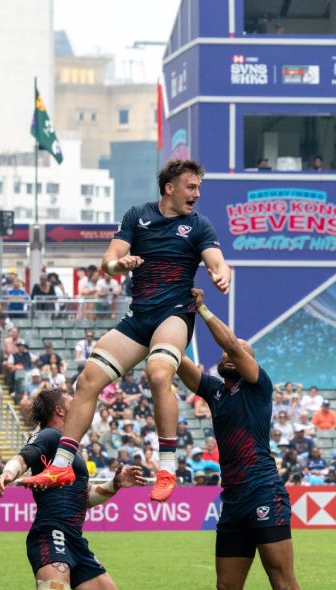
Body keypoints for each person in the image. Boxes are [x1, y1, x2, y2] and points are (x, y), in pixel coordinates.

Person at [20, 159, 231, 503]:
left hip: (175, 314)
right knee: (87, 381)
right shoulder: (138, 215)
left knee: (159, 373)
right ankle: (61, 464)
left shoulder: (198, 225)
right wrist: (121, 264)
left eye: (198, 188)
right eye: (191, 187)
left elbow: (217, 260)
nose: (197, 193)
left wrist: (222, 274)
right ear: (170, 188)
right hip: (139, 317)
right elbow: (109, 260)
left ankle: (166, 469)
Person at [176, 289, 318, 590]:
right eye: (225, 353)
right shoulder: (217, 391)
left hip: (264, 490)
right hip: (235, 499)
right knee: (227, 586)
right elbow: (180, 365)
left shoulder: (259, 386)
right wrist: (169, 323)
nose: (226, 354)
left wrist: (202, 308)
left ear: (247, 360)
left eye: (235, 351)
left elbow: (229, 343)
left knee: (280, 578)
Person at [0, 389, 146, 590]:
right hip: (51, 533)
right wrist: (9, 473)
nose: (80, 405)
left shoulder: (69, 449)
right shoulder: (50, 436)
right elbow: (23, 457)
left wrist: (115, 484)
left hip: (74, 540)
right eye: (73, 401)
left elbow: (85, 497)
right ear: (60, 411)